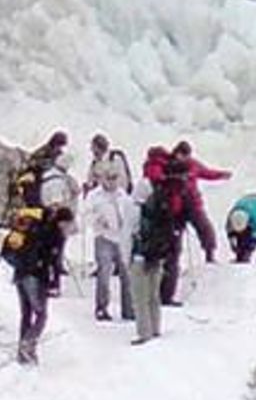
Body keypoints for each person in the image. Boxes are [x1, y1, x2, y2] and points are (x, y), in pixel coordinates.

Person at [128, 166, 188, 344]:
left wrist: (127, 258)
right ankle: (155, 329)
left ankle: (143, 333)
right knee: (154, 294)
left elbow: (129, 233)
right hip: (158, 254)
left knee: (140, 297)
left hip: (141, 256)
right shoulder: (162, 206)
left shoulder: (138, 210)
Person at [11, 205, 74, 365]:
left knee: (26, 314)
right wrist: (54, 284)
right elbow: (53, 262)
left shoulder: (36, 228)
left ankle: (23, 353)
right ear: (62, 222)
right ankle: (28, 344)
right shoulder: (55, 235)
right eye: (68, 224)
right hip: (36, 276)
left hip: (20, 273)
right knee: (41, 315)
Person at [82, 163, 137, 322]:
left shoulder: (123, 195)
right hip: (103, 237)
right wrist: (97, 221)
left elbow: (130, 214)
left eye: (115, 178)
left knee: (126, 274)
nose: (112, 182)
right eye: (109, 178)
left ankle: (129, 308)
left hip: (122, 238)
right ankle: (101, 307)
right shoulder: (94, 196)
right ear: (102, 179)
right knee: (104, 274)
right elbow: (85, 214)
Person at [171, 141, 231, 263]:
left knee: (205, 229)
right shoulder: (169, 166)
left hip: (192, 204)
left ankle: (210, 255)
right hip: (176, 206)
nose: (183, 158)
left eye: (186, 155)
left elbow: (207, 173)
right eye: (182, 154)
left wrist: (221, 175)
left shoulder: (192, 164)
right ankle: (173, 261)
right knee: (175, 236)